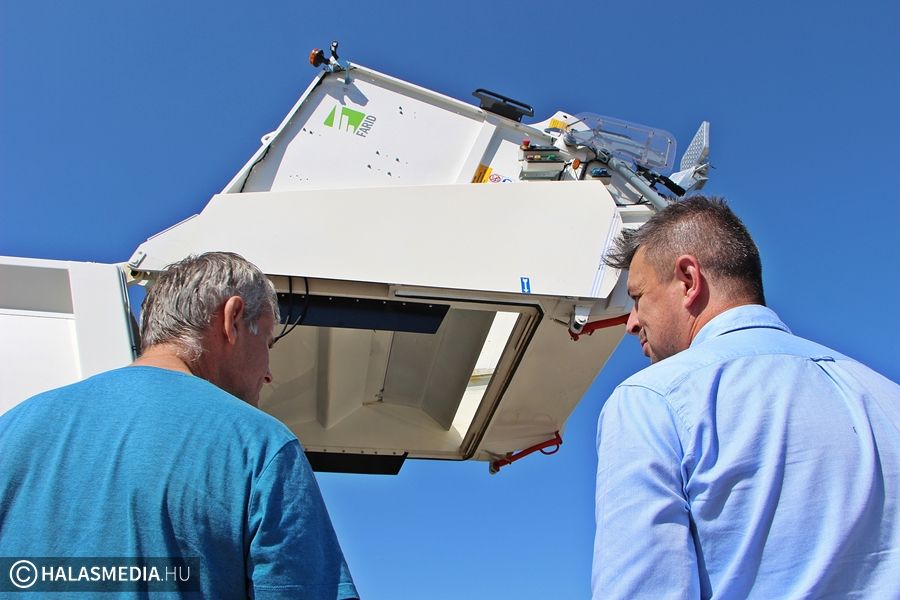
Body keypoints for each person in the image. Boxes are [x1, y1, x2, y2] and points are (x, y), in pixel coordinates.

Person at [0, 252, 358, 599]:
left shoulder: (13, 429)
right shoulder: (259, 445)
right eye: (267, 342)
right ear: (232, 318)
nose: (268, 374)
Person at [592, 196, 900, 599]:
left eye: (637, 297)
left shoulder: (652, 400)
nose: (631, 323)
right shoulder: (885, 395)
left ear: (688, 280)